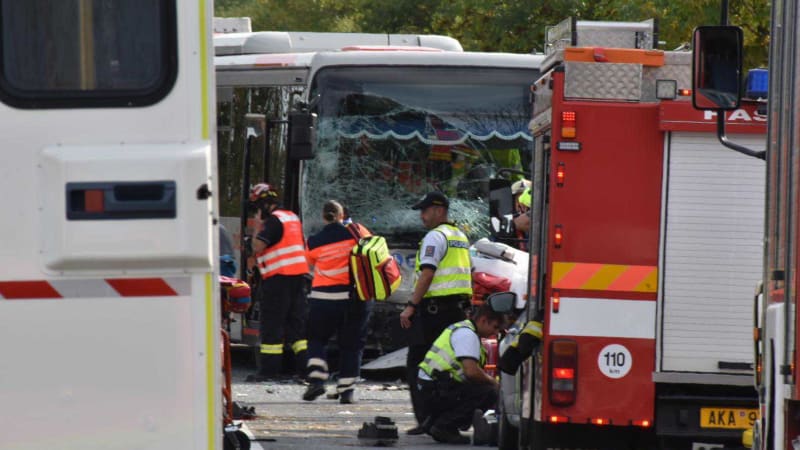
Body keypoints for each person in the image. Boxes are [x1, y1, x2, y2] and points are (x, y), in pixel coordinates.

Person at [400, 191, 473, 435]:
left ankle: (426, 420)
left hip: (434, 312)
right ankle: (446, 418)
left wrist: (411, 305)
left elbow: (428, 274)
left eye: (425, 210)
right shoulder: (460, 236)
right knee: (449, 366)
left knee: (418, 365)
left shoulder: (435, 236)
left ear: (439, 210)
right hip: (457, 311)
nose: (422, 216)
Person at [302, 200, 373, 404]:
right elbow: (372, 251)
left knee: (316, 339)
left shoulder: (314, 241)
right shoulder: (357, 232)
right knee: (351, 345)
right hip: (354, 297)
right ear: (342, 216)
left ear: (324, 217)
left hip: (323, 298)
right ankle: (347, 391)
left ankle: (317, 379)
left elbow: (310, 264)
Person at [416, 303, 506, 444]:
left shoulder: (463, 329)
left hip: (431, 386)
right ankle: (444, 426)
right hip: (435, 389)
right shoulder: (467, 335)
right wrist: (494, 382)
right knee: (489, 391)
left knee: (478, 388)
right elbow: (471, 372)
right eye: (494, 327)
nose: (495, 333)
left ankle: (434, 422)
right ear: (483, 320)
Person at [246, 183, 310, 382]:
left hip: (278, 279)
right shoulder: (292, 217)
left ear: (265, 204)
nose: (257, 212)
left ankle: (268, 372)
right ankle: (304, 370)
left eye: (257, 207)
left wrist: (256, 228)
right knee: (296, 326)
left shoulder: (273, 221)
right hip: (298, 279)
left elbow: (258, 246)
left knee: (272, 326)